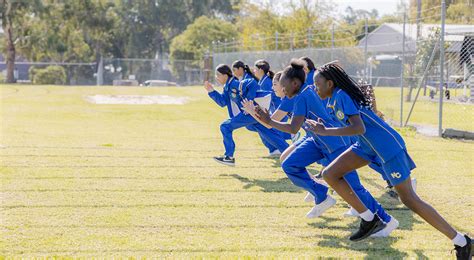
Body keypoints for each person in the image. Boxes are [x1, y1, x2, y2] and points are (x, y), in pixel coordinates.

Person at [307, 63, 471, 258]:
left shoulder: (342, 95)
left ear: (330, 83)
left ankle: (462, 241)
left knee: (409, 199)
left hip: (387, 147)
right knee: (330, 174)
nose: (315, 88)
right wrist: (323, 127)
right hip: (366, 147)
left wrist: (325, 131)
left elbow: (358, 128)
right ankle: (369, 219)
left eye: (317, 84)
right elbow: (355, 125)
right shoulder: (334, 98)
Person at [248, 61, 397, 239]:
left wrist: (268, 120)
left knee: (353, 187)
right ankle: (321, 196)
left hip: (336, 143)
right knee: (290, 164)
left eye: (283, 85)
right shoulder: (303, 93)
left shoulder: (303, 95)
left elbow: (293, 129)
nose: (281, 88)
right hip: (317, 141)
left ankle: (386, 220)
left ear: (295, 83)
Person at [205, 64, 288, 166]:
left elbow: (253, 83)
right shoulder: (227, 86)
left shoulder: (235, 84)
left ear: (225, 75)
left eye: (218, 75)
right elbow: (222, 102)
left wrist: (249, 102)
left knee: (225, 126)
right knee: (269, 134)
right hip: (251, 113)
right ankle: (291, 153)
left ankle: (229, 157)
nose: (216, 77)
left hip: (250, 113)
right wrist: (211, 91)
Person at [232, 60, 289, 157]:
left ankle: (281, 145)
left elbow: (266, 100)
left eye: (274, 85)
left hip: (276, 111)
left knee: (266, 128)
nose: (273, 88)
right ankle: (280, 147)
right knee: (264, 127)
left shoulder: (266, 82)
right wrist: (251, 111)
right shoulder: (263, 81)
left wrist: (253, 110)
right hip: (276, 112)